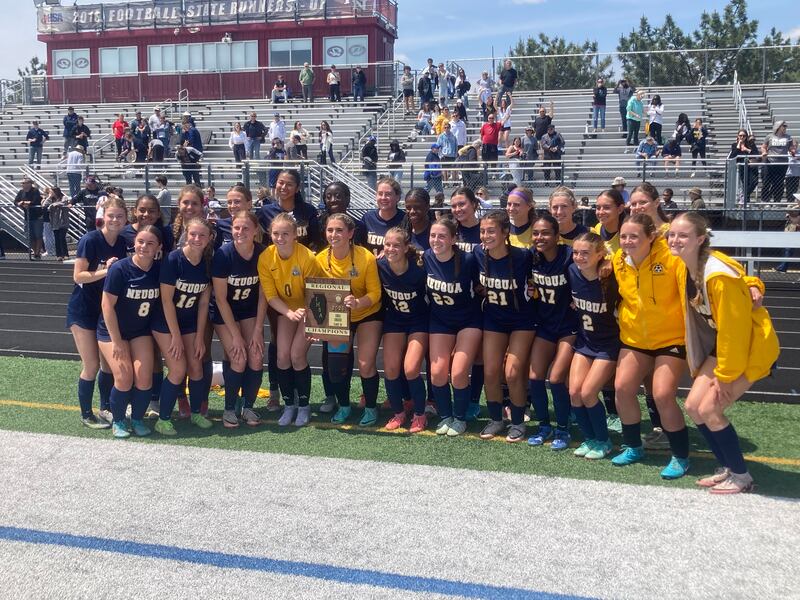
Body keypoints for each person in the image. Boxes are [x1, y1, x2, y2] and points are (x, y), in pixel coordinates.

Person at [668, 212, 778, 493]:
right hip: (726, 346)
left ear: (700, 239)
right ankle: (728, 467)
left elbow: (735, 331)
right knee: (694, 406)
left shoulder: (716, 275)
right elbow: (746, 277)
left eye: (683, 235)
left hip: (750, 347)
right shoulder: (686, 265)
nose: (675, 240)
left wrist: (726, 376)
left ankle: (742, 476)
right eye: (672, 234)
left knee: (711, 408)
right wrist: (754, 284)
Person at [610, 213, 691, 477]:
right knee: (622, 388)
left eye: (634, 236)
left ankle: (680, 456)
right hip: (635, 338)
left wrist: (750, 283)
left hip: (670, 338)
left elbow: (708, 267)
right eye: (623, 236)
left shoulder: (672, 258)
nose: (628, 241)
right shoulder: (617, 260)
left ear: (651, 237)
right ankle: (633, 446)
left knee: (662, 395)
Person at [67, 196, 128, 429]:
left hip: (105, 312)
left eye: (119, 216)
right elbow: (78, 276)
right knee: (91, 364)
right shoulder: (89, 240)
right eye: (111, 215)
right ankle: (85, 414)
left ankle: (106, 408)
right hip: (83, 310)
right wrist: (107, 270)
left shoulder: (123, 243)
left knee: (107, 365)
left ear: (125, 219)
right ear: (103, 216)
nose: (114, 220)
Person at [475, 210, 536, 442]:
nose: (486, 235)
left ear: (505, 232)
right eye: (482, 231)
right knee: (490, 371)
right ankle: (496, 419)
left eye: (491, 231)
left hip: (522, 319)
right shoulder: (477, 255)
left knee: (512, 372)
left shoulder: (523, 256)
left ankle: (518, 422)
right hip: (494, 318)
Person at [316, 213, 382, 425]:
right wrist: (316, 325)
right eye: (330, 230)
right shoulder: (319, 259)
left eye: (339, 230)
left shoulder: (366, 257)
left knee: (365, 364)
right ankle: (344, 406)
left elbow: (375, 293)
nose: (334, 234)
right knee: (335, 366)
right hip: (337, 317)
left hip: (367, 313)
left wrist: (358, 302)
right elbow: (315, 294)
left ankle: (371, 408)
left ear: (351, 233)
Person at [151, 218, 214, 435]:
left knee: (196, 366)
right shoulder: (173, 259)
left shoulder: (207, 261)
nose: (197, 239)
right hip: (166, 323)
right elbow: (167, 301)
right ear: (186, 233)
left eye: (202, 235)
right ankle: (164, 419)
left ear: (209, 238)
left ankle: (196, 412)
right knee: (178, 369)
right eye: (193, 234)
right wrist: (176, 336)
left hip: (189, 321)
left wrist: (198, 336)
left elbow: (204, 302)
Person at [97, 225, 162, 439]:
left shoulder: (159, 269)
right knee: (124, 377)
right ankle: (118, 419)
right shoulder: (120, 269)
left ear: (158, 247)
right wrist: (116, 341)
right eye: (141, 241)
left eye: (150, 243)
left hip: (139, 330)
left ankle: (137, 418)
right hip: (112, 331)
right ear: (134, 243)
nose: (144, 246)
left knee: (144, 377)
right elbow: (107, 306)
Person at [258, 213, 321, 427]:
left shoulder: (306, 257)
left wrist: (306, 313)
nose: (280, 238)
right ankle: (289, 405)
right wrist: (288, 313)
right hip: (286, 309)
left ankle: (304, 406)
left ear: (295, 235)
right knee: (282, 357)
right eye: (276, 233)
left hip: (310, 307)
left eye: (285, 233)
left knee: (296, 355)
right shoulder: (266, 257)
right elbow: (271, 295)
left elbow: (317, 292)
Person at [424, 216, 482, 435]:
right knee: (437, 373)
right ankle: (446, 416)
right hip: (440, 320)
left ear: (453, 239)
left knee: (458, 373)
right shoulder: (426, 257)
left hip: (468, 320)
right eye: (432, 235)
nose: (436, 240)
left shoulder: (468, 260)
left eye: (442, 236)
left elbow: (482, 285)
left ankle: (460, 417)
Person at [210, 211, 266, 429]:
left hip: (249, 310)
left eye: (245, 228)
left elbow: (263, 295)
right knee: (238, 355)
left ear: (255, 231)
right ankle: (229, 407)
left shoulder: (262, 253)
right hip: (225, 312)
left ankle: (248, 406)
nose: (240, 232)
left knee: (255, 354)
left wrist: (258, 329)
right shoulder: (224, 254)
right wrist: (235, 335)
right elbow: (221, 300)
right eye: (236, 227)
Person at [527, 214, 579, 450]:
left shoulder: (569, 256)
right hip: (544, 325)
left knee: (557, 378)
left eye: (546, 232)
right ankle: (544, 425)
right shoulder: (531, 258)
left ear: (557, 236)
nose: (540, 237)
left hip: (569, 326)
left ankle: (563, 427)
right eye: (536, 233)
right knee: (535, 377)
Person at [567, 231, 619, 459]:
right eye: (576, 252)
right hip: (585, 341)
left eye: (585, 253)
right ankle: (590, 439)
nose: (579, 257)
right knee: (574, 392)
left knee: (588, 392)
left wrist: (609, 262)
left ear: (600, 254)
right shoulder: (571, 272)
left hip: (609, 344)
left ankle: (604, 441)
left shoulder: (612, 276)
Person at [378, 227, 430, 432]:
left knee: (410, 368)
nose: (390, 249)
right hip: (394, 320)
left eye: (396, 245)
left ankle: (420, 414)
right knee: (390, 368)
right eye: (387, 244)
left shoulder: (419, 269)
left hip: (418, 321)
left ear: (406, 246)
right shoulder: (379, 265)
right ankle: (399, 412)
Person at [257, 169, 320, 250]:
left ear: (297, 188)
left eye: (289, 184)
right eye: (281, 183)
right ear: (276, 184)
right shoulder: (264, 212)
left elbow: (315, 242)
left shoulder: (309, 210)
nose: (284, 187)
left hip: (302, 261)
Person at [361, 177, 406, 255]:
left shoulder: (405, 219)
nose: (383, 198)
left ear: (397, 197)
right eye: (380, 194)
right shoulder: (368, 218)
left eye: (388, 194)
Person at [761, 121, 793, 203]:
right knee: (766, 182)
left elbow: (791, 148)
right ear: (778, 127)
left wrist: (793, 151)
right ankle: (765, 200)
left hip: (782, 164)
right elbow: (763, 147)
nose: (785, 128)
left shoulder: (788, 137)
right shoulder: (769, 136)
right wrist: (764, 152)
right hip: (770, 162)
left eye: (786, 126)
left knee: (778, 183)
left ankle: (776, 201)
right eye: (784, 126)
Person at [14, 177, 44, 260]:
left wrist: (28, 203)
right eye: (22, 183)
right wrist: (19, 203)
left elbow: (36, 201)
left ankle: (37, 253)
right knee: (29, 236)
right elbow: (15, 201)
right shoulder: (21, 192)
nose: (23, 185)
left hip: (37, 217)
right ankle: (35, 251)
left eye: (25, 183)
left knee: (38, 235)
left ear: (30, 184)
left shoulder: (35, 191)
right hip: (27, 217)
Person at [728, 129, 759, 203]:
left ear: (746, 136)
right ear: (737, 136)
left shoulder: (751, 144)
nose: (742, 137)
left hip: (751, 166)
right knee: (745, 184)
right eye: (740, 135)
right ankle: (746, 201)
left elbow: (756, 154)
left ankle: (743, 195)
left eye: (744, 136)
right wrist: (738, 146)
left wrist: (747, 149)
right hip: (742, 167)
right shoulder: (734, 145)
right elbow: (732, 157)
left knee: (754, 182)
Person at [43, 186, 70, 261]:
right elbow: (44, 205)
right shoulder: (51, 199)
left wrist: (53, 205)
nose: (51, 193)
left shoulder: (63, 197)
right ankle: (59, 255)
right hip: (54, 222)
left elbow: (64, 203)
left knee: (62, 238)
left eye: (52, 192)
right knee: (57, 239)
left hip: (63, 221)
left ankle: (65, 254)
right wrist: (49, 197)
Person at [405, 188, 432, 252]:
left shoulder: (434, 233)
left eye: (417, 207)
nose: (412, 211)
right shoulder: (402, 231)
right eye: (408, 208)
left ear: (427, 207)